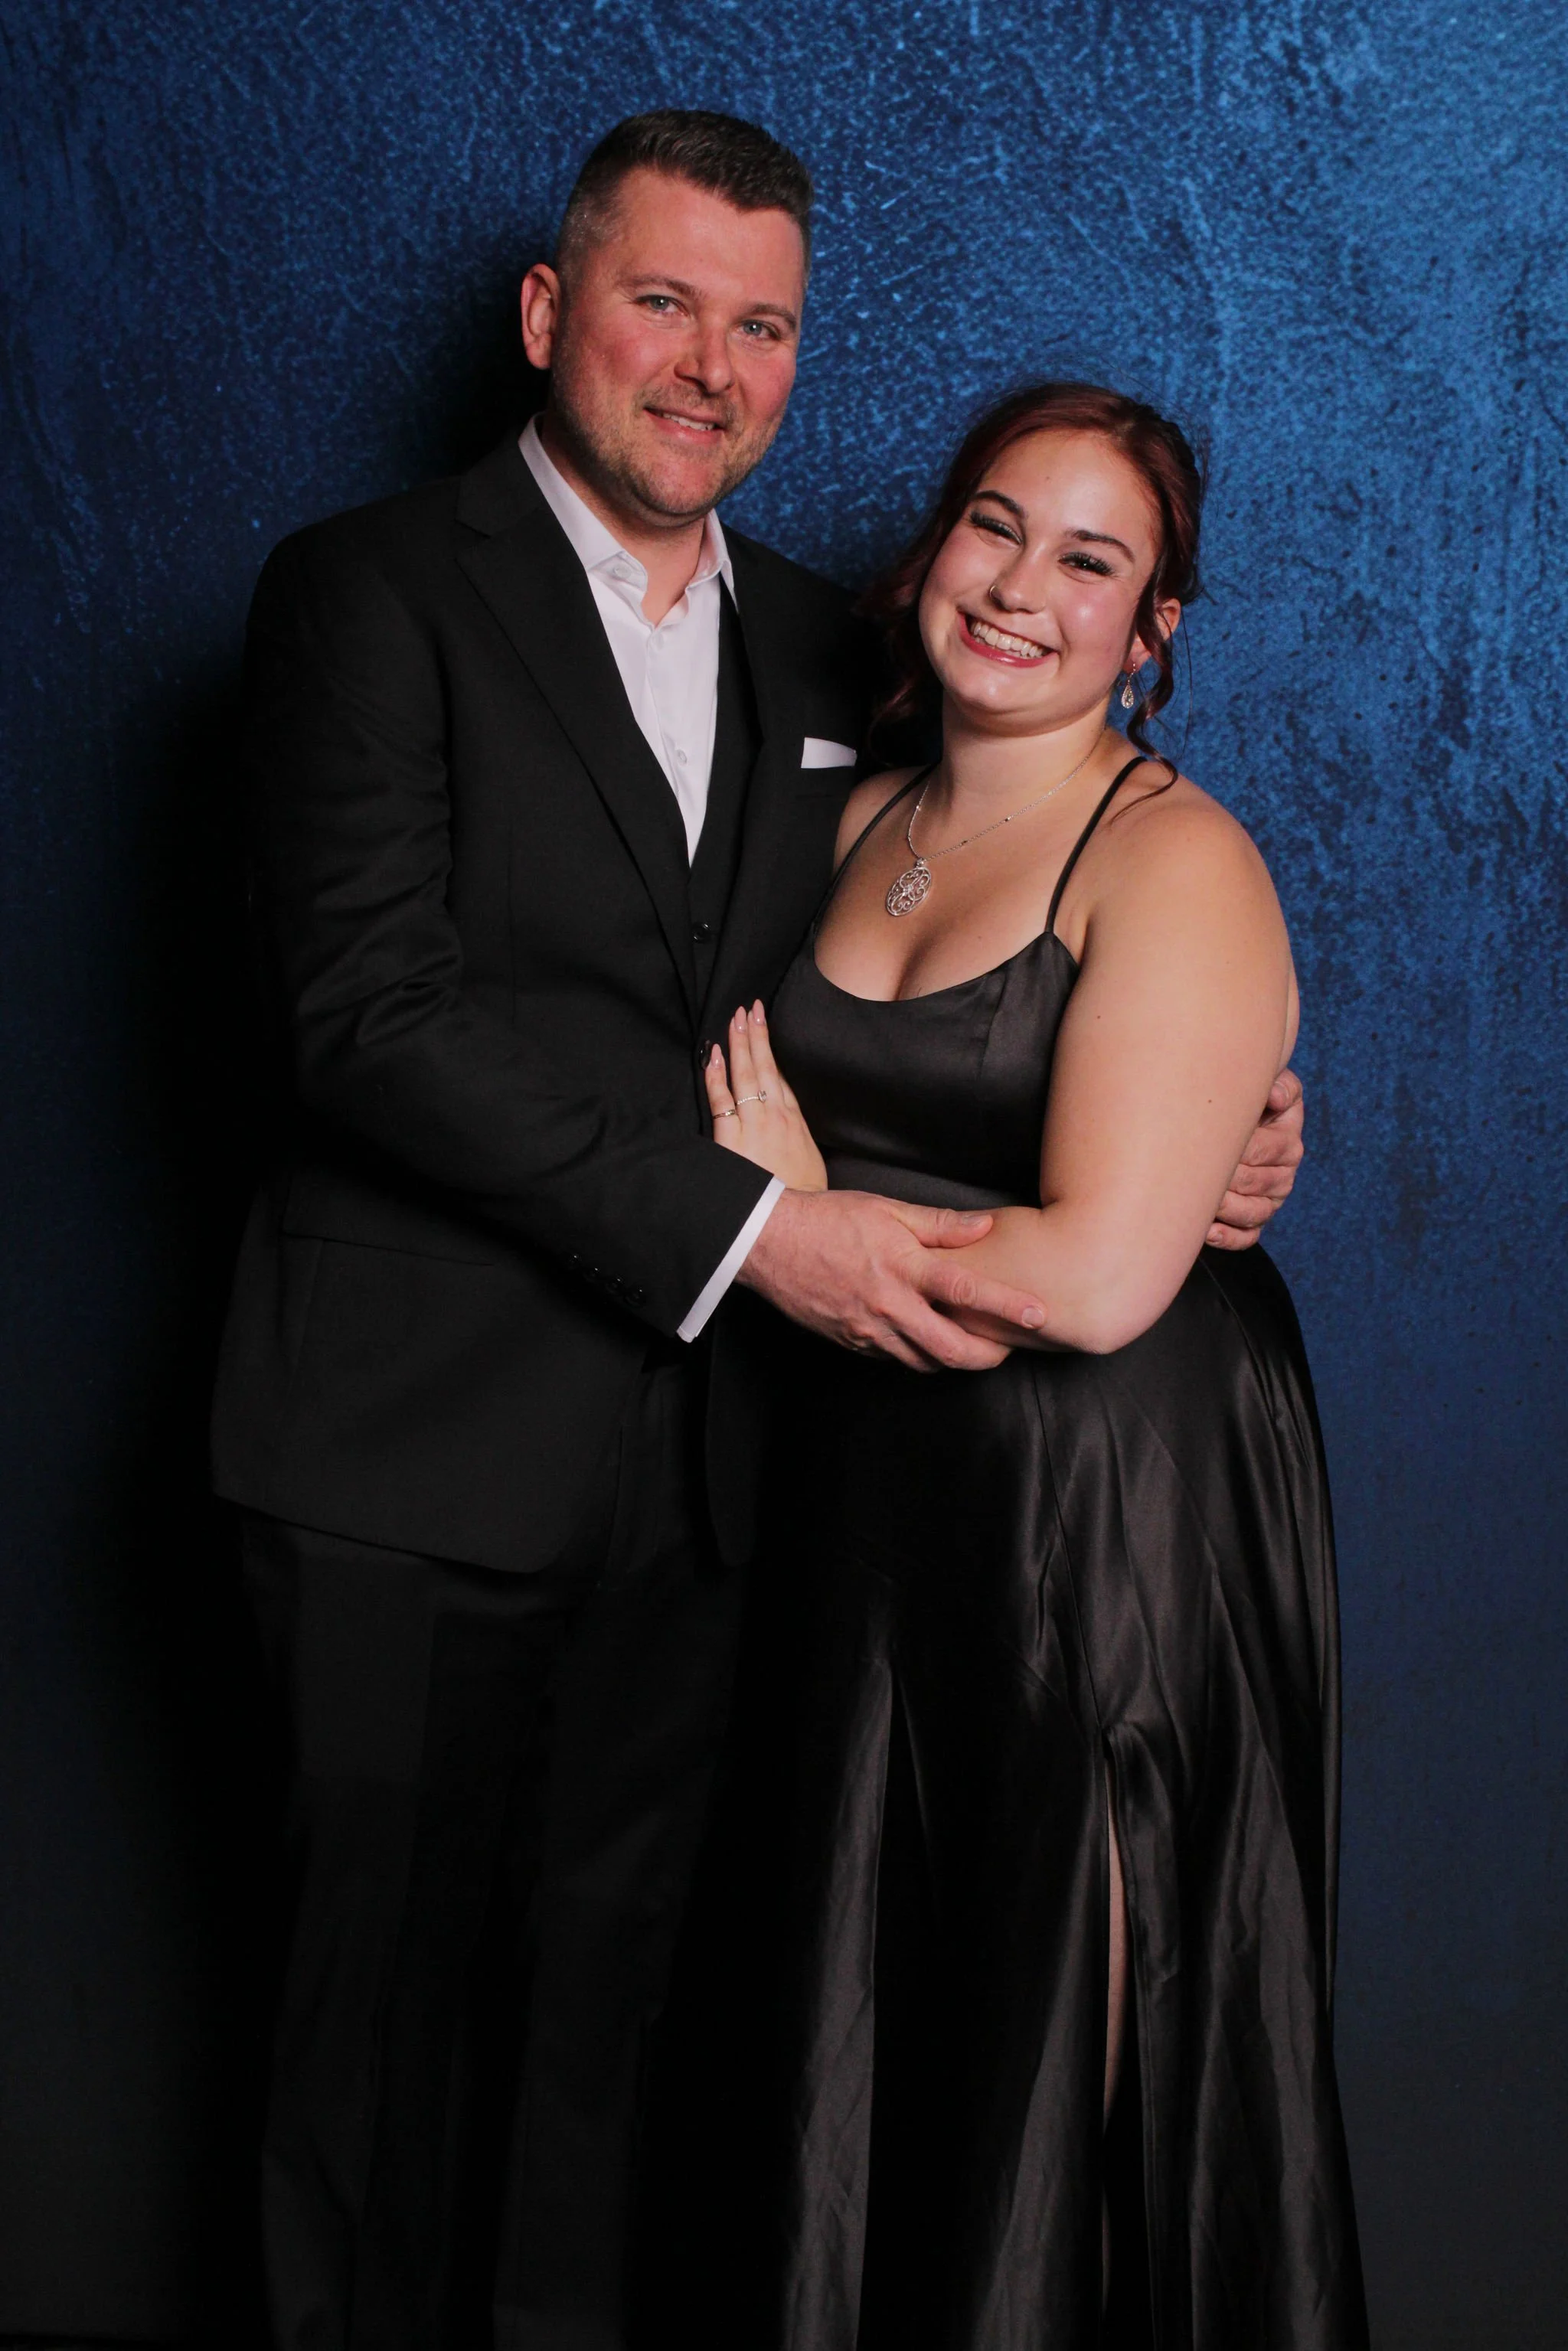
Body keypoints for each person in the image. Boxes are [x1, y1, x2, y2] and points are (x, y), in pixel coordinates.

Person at [210, 109, 1305, 2351]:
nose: (708, 362)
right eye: (660, 300)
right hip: (414, 1460)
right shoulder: (361, 592)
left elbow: (1009, 970)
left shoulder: (852, 658)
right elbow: (369, 1015)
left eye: (764, 321)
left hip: (740, 1499)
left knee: (623, 2078)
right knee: (367, 2064)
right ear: (549, 317)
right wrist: (753, 1234)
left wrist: (1219, 1131)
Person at [702, 384, 1367, 2348]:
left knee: (1070, 2030)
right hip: (878, 1499)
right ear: (934, 545)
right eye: (998, 526)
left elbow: (1093, 1277)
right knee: (867, 2029)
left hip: (1109, 1512)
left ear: (1153, 628)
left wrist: (807, 1213)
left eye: (1092, 560)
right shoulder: (832, 812)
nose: (1022, 588)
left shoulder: (1173, 861)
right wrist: (765, 1217)